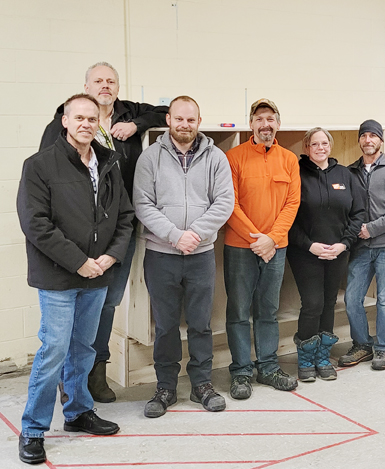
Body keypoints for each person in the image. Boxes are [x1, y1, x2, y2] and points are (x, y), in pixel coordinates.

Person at [39, 62, 168, 403]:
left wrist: (135, 124)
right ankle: (70, 378)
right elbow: (46, 179)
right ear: (86, 87)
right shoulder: (62, 123)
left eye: (111, 81)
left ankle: (95, 372)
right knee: (73, 306)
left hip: (118, 231)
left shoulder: (129, 113)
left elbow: (166, 113)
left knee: (107, 303)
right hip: (76, 235)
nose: (105, 85)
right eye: (98, 81)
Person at [17, 94, 134, 465]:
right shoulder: (39, 165)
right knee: (53, 350)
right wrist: (79, 261)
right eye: (77, 117)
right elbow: (36, 224)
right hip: (58, 276)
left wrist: (110, 256)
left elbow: (125, 217)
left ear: (99, 121)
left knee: (84, 348)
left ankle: (78, 412)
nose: (85, 123)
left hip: (97, 274)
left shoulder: (108, 162)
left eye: (91, 118)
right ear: (65, 121)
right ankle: (33, 429)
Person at [134, 96, 234, 417]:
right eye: (179, 119)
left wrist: (195, 235)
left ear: (198, 121)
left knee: (201, 324)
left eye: (191, 120)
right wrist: (176, 236)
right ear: (169, 120)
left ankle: (202, 384)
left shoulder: (216, 157)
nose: (185, 125)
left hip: (201, 255)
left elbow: (224, 202)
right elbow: (143, 204)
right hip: (161, 256)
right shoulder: (150, 157)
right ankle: (165, 387)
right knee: (164, 326)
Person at [224, 98, 301, 399]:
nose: (265, 124)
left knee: (268, 311)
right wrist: (258, 239)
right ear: (251, 124)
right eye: (259, 119)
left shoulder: (289, 159)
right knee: (239, 311)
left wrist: (272, 238)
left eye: (271, 119)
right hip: (241, 248)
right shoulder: (234, 157)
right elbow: (230, 204)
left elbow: (292, 203)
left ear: (278, 124)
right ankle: (241, 372)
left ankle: (268, 366)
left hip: (276, 248)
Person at [287, 128, 365, 381]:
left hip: (338, 252)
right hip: (305, 252)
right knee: (312, 304)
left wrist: (344, 244)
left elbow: (358, 213)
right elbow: (288, 218)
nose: (320, 148)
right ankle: (306, 359)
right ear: (306, 148)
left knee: (330, 303)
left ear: (330, 146)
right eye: (314, 144)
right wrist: (310, 245)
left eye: (324, 143)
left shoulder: (345, 175)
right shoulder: (296, 174)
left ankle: (322, 357)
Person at [339, 119, 385, 371]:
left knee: (384, 299)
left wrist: (373, 228)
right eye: (364, 136)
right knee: (352, 298)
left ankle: (383, 348)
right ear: (359, 140)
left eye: (373, 136)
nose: (368, 140)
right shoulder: (350, 172)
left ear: (381, 140)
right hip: (360, 247)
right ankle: (362, 344)